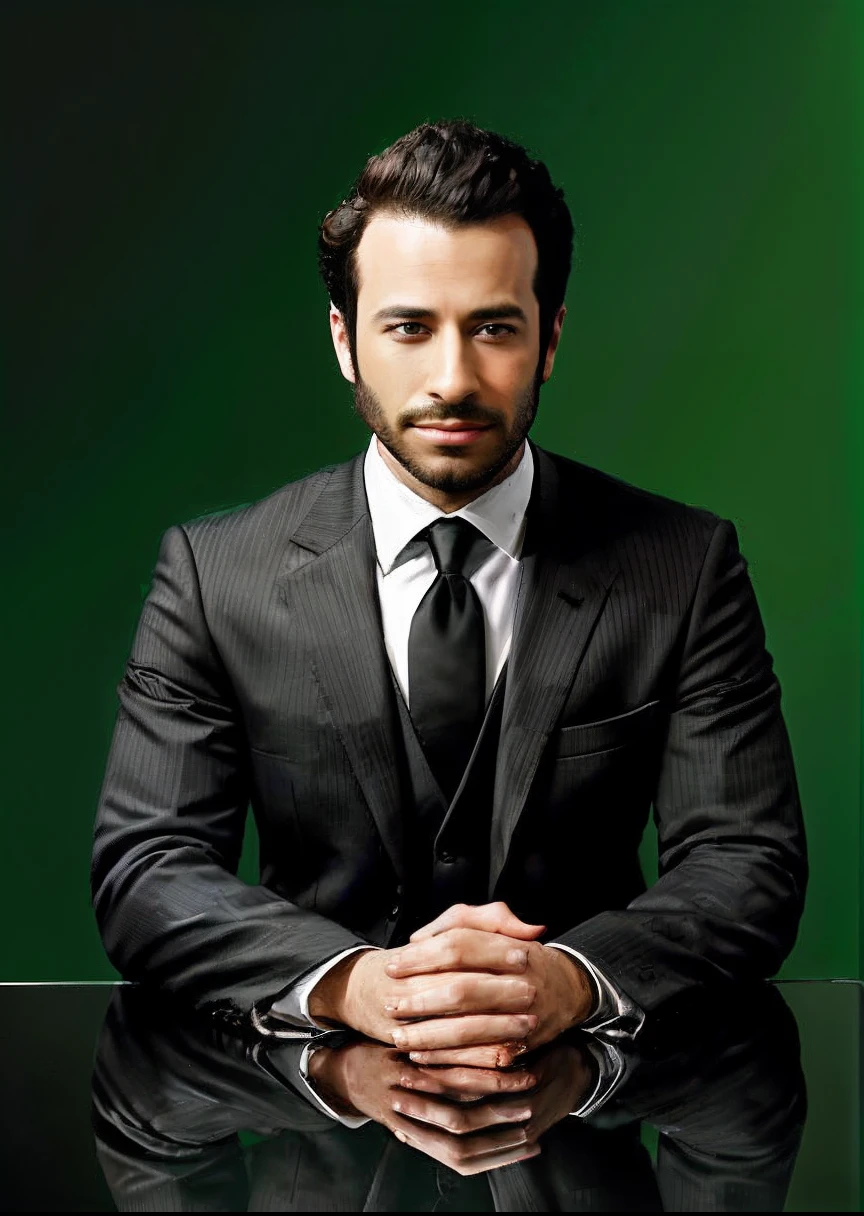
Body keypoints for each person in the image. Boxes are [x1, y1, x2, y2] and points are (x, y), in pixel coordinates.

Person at [91, 118, 808, 1069]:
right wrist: (354, 982)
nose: (453, 379)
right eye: (410, 328)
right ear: (346, 341)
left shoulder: (684, 565)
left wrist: (571, 980)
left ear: (550, 339)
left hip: (581, 1131)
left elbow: (747, 865)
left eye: (495, 328)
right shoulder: (214, 574)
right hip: (316, 1126)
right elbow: (148, 870)